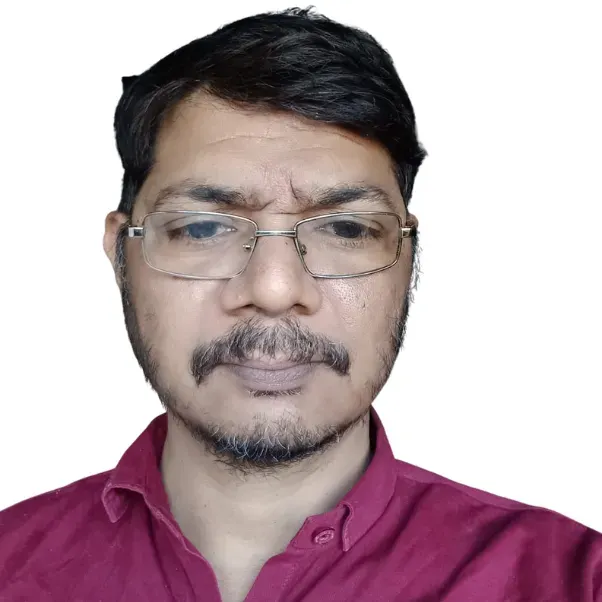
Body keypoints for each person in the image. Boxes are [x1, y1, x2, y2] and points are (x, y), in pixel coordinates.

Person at [0, 7, 600, 602]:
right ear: (120, 253)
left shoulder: (572, 583)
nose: (274, 289)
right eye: (204, 228)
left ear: (408, 257)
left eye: (346, 228)